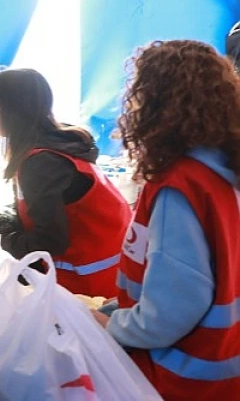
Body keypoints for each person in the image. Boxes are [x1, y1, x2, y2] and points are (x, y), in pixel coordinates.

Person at [92, 40, 240, 400]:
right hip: (224, 364)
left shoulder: (180, 187)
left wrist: (113, 325)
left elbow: (172, 310)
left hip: (178, 375)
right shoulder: (224, 171)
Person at [0, 68, 131, 297]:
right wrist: (3, 218)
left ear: (13, 108)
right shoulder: (57, 144)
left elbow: (50, 241)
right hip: (114, 273)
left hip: (89, 290)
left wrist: (5, 236)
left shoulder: (42, 163)